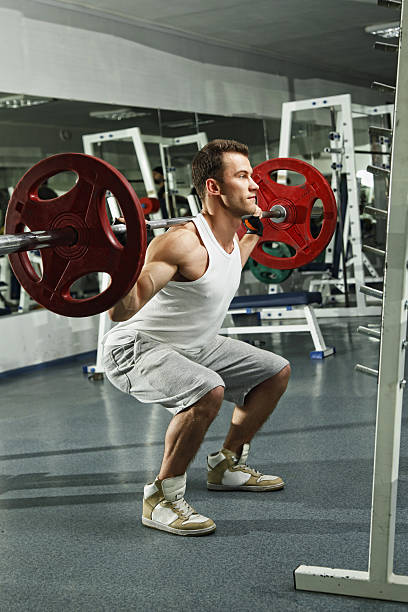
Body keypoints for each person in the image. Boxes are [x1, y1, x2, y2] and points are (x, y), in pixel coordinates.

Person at [103, 139, 291, 536]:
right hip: (136, 348)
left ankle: (226, 464)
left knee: (274, 372)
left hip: (197, 345)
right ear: (214, 188)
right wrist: (113, 260)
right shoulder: (180, 241)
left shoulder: (229, 237)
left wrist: (253, 236)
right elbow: (122, 310)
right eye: (242, 176)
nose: (256, 185)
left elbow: (226, 268)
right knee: (208, 391)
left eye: (253, 175)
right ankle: (161, 497)